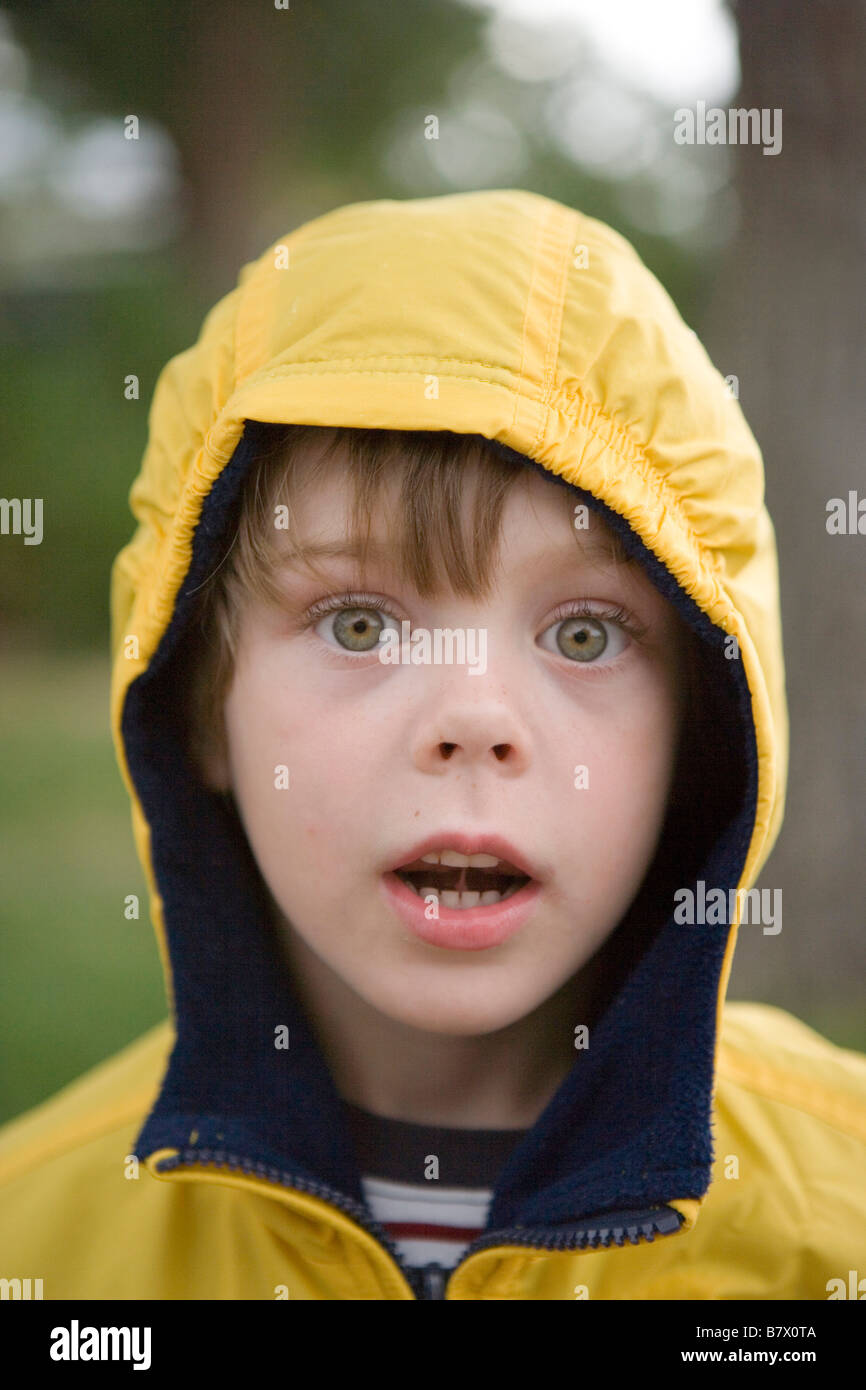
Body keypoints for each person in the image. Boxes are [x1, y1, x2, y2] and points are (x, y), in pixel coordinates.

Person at [1, 189, 864, 1301]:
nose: (474, 718)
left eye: (584, 633)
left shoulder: (835, 1224)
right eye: (358, 624)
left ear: (699, 729)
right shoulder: (39, 1247)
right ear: (200, 703)